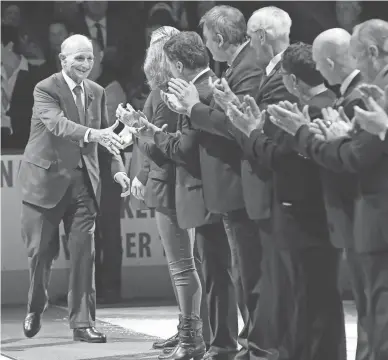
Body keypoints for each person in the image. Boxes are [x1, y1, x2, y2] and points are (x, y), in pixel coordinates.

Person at [129, 31, 246, 360]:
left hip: (207, 193)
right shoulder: (202, 86)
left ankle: (213, 342)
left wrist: (148, 131)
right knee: (213, 272)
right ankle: (214, 341)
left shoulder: (194, 91)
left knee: (213, 273)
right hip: (208, 192)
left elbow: (184, 149)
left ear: (177, 63)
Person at [227, 41, 346, 360]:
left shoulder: (316, 107)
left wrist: (251, 132)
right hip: (317, 216)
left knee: (306, 303)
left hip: (305, 217)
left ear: (291, 81)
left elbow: (280, 158)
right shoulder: (329, 99)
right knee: (317, 302)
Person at [163, 6, 266, 360]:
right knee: (240, 275)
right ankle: (249, 345)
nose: (207, 48)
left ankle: (257, 348)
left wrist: (192, 107)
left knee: (247, 277)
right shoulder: (235, 68)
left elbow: (235, 126)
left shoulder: (246, 68)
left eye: (208, 40)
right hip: (231, 190)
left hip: (238, 188)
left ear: (219, 39)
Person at [18, 34, 131, 343]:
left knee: (84, 256)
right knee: (41, 254)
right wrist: (95, 133)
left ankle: (82, 323)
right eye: (78, 58)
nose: (85, 63)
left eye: (90, 58)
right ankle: (35, 306)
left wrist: (119, 170)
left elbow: (108, 138)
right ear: (63, 59)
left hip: (84, 186)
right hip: (45, 185)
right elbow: (59, 125)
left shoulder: (97, 91)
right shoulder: (45, 88)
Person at [118, 26, 207, 360]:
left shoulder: (169, 92)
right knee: (187, 265)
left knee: (183, 266)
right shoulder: (163, 91)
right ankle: (192, 331)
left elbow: (163, 147)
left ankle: (193, 337)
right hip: (170, 184)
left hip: (172, 186)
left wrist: (138, 129)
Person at [88, 38, 127, 303]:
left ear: (101, 55)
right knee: (83, 229)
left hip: (106, 163)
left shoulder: (112, 89)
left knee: (109, 227)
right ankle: (88, 288)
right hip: (82, 166)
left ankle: (110, 287)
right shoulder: (72, 88)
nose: (85, 61)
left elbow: (111, 131)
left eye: (90, 54)